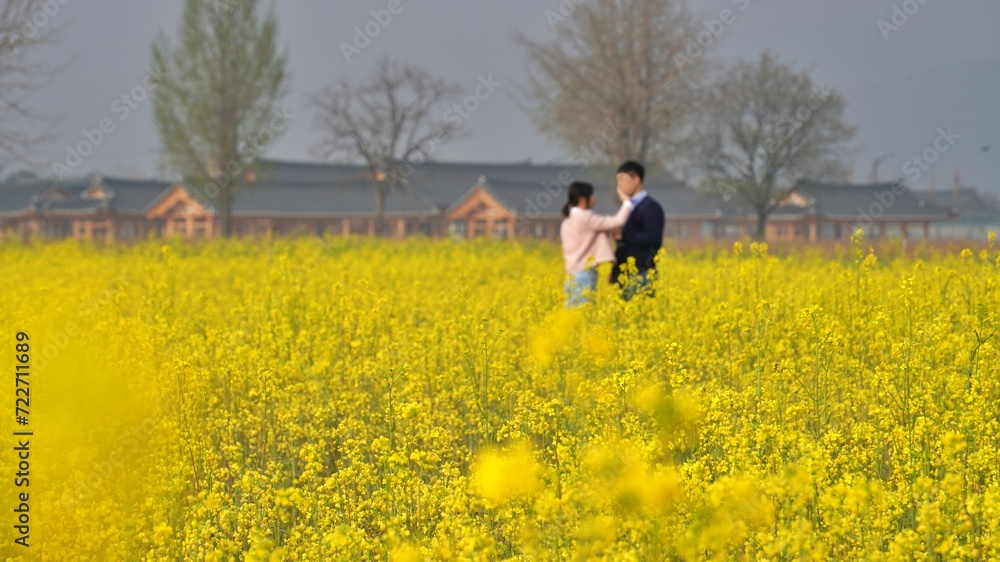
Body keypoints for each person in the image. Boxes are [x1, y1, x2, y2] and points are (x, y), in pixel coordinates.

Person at [560, 181, 633, 307]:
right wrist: (627, 203)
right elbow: (617, 221)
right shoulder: (585, 218)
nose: (594, 198)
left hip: (570, 276)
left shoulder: (567, 221)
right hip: (584, 275)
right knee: (584, 318)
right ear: (583, 200)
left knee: (572, 318)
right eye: (591, 195)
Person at [610, 161, 665, 300]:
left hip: (642, 273)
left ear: (636, 179)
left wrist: (624, 235)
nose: (619, 186)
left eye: (622, 180)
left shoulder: (651, 207)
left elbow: (654, 239)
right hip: (623, 274)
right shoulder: (626, 207)